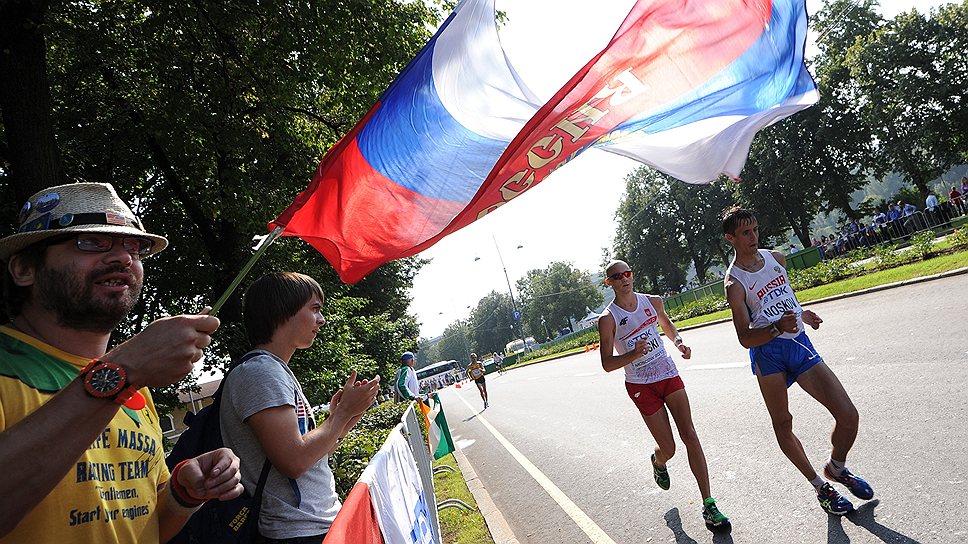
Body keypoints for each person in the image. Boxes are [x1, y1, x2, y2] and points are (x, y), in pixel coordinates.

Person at [0, 182, 243, 543]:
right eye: (92, 242)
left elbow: (145, 527)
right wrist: (121, 372)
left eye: (134, 246)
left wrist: (183, 492)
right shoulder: (119, 376)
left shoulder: (134, 388)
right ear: (24, 269)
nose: (122, 257)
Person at [721, 207, 873, 517]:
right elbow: (744, 338)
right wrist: (777, 328)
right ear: (731, 239)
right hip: (768, 354)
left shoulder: (776, 259)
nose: (753, 237)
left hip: (799, 344)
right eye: (746, 233)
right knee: (783, 423)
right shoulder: (734, 283)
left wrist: (801, 314)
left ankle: (837, 467)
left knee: (848, 415)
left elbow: (783, 299)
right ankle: (821, 486)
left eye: (755, 230)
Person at [220, 271, 380, 543]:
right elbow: (294, 461)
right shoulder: (260, 373)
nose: (322, 319)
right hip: (298, 533)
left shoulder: (272, 370)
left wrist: (345, 419)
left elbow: (310, 455)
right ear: (283, 311)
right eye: (315, 309)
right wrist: (340, 414)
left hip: (312, 525)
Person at [598, 260, 729, 529]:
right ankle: (658, 461)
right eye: (617, 276)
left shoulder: (652, 301)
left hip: (667, 373)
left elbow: (666, 325)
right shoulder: (608, 319)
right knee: (669, 448)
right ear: (609, 282)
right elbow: (607, 364)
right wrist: (633, 354)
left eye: (628, 273)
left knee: (690, 434)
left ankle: (709, 504)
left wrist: (679, 342)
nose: (625, 279)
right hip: (640, 385)